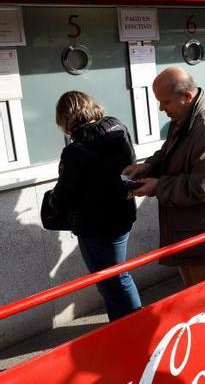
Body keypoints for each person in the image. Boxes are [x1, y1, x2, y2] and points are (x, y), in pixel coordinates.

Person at [127, 67, 205, 287]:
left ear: (187, 96)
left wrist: (158, 186)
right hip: (194, 231)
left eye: (165, 102)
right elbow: (169, 152)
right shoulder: (186, 117)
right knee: (197, 299)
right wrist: (148, 167)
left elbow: (203, 186)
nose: (161, 109)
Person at [49, 91, 141, 320]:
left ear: (65, 117)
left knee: (112, 281)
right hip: (123, 214)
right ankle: (132, 323)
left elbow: (64, 197)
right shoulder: (118, 128)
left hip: (96, 226)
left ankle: (129, 328)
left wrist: (52, 200)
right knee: (118, 275)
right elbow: (127, 167)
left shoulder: (74, 150)